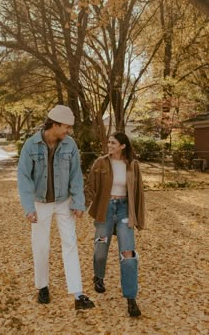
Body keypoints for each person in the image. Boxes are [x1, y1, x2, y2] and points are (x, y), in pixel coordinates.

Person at [17, 105, 95, 310]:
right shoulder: (30, 145)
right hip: (39, 203)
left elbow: (76, 175)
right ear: (54, 124)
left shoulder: (70, 145)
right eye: (66, 127)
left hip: (64, 202)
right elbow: (24, 178)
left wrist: (78, 202)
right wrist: (28, 208)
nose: (68, 131)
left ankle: (78, 294)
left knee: (70, 244)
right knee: (41, 245)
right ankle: (42, 286)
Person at [85, 131, 145, 317]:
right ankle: (98, 276)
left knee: (128, 254)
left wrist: (139, 219)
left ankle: (130, 298)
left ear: (123, 146)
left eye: (113, 143)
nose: (109, 145)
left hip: (124, 211)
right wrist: (81, 206)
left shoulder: (133, 166)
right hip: (105, 210)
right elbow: (90, 187)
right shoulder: (100, 163)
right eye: (109, 142)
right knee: (101, 247)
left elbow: (139, 193)